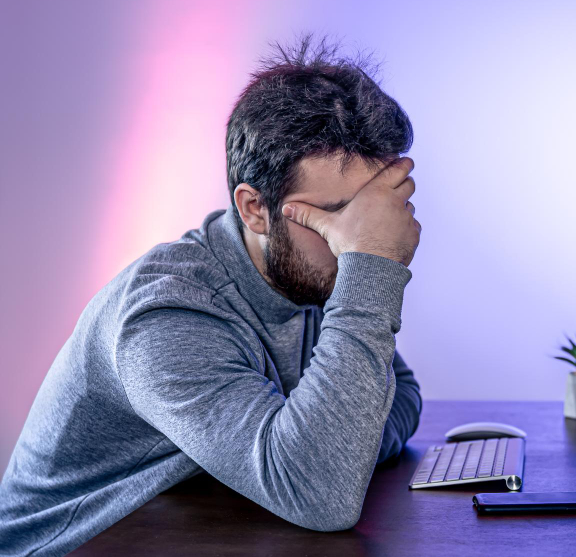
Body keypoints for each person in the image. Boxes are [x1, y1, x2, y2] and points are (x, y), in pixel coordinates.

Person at [0, 33, 422, 556]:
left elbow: (403, 394)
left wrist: (333, 446)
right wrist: (373, 266)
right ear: (253, 209)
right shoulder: (166, 315)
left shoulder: (309, 278)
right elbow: (322, 495)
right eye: (338, 217)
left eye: (373, 216)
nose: (356, 242)